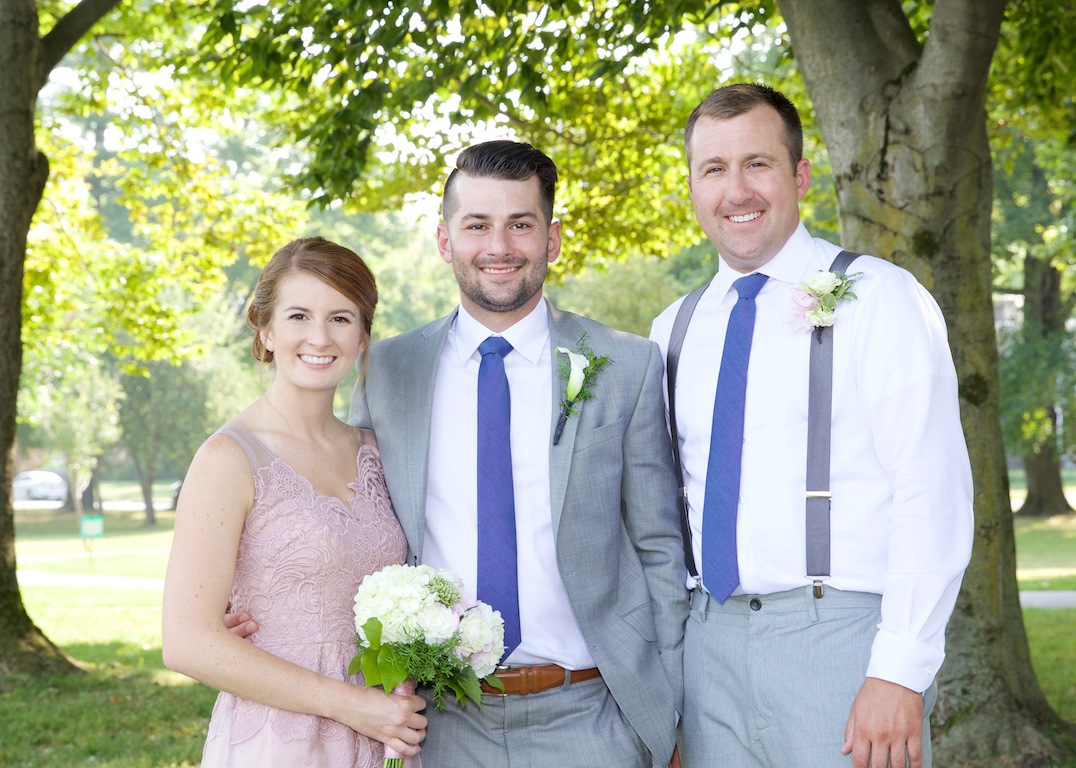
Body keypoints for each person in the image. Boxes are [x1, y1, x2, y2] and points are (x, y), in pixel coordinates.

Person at [649, 83, 974, 768]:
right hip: (707, 650)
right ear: (692, 187)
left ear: (799, 176)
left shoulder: (878, 298)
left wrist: (899, 668)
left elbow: (931, 487)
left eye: (757, 164)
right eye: (714, 169)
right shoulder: (673, 328)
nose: (736, 190)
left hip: (843, 645)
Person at [349, 140, 688, 767]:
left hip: (593, 717)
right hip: (441, 723)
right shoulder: (388, 371)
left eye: (520, 224)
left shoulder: (625, 364)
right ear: (445, 241)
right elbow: (355, 525)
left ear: (552, 239)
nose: (498, 246)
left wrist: (668, 709)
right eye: (477, 224)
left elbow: (659, 546)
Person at [162, 237, 428, 766]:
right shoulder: (228, 458)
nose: (319, 337)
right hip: (279, 738)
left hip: (382, 736)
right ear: (266, 329)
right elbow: (186, 642)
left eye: (341, 318)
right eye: (299, 315)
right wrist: (351, 705)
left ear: (363, 337)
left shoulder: (377, 450)